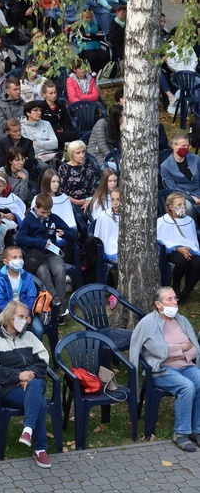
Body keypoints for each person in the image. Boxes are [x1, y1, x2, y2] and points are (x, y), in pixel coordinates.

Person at [129, 286, 200, 452]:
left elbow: (194, 347)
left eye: (175, 298)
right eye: (170, 299)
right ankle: (180, 433)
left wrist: (176, 350)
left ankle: (197, 430)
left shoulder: (181, 320)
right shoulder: (147, 323)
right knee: (187, 387)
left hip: (185, 365)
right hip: (160, 369)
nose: (175, 302)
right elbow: (157, 351)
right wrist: (180, 348)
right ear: (158, 304)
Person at [0, 300, 52, 468]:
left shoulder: (29, 337)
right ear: (9, 317)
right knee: (40, 403)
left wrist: (28, 376)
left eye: (26, 317)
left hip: (34, 382)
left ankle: (28, 430)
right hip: (10, 389)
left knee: (36, 386)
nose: (25, 320)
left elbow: (43, 360)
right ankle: (40, 450)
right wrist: (17, 377)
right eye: (20, 316)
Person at [16, 193, 77, 320]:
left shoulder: (54, 218)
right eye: (43, 212)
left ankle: (60, 308)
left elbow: (73, 234)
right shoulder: (28, 220)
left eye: (48, 212)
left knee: (60, 270)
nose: (45, 215)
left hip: (52, 253)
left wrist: (65, 233)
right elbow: (20, 239)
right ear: (36, 207)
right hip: (36, 255)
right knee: (43, 272)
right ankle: (57, 303)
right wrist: (39, 243)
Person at [157, 193, 200, 302]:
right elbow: (161, 239)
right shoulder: (162, 221)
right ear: (171, 207)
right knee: (181, 261)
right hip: (171, 250)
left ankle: (186, 291)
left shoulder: (189, 221)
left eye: (184, 204)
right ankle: (176, 286)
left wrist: (189, 248)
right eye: (179, 204)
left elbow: (192, 239)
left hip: (188, 249)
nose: (182, 207)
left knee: (198, 263)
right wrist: (178, 248)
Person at [0, 246, 42, 338]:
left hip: (26, 312)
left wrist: (28, 315)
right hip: (7, 313)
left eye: (20, 257)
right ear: (5, 261)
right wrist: (14, 316)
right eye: (14, 257)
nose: (19, 260)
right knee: (14, 331)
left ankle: (32, 351)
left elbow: (31, 297)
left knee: (38, 330)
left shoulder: (27, 276)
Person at [58, 140, 98, 212]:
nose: (81, 155)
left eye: (83, 152)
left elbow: (95, 188)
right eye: (78, 153)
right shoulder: (64, 168)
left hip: (88, 202)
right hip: (70, 203)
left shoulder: (89, 167)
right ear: (71, 154)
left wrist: (89, 202)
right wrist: (77, 202)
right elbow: (61, 192)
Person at [161, 134, 200, 205]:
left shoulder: (195, 159)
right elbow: (172, 187)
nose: (186, 148)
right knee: (188, 207)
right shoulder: (165, 166)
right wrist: (190, 197)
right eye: (183, 146)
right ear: (174, 146)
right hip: (181, 195)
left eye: (187, 146)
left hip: (197, 191)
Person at [40, 81, 78, 153]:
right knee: (73, 136)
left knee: (72, 134)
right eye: (50, 93)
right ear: (44, 95)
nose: (54, 95)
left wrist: (66, 132)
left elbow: (67, 122)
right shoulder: (42, 108)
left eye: (55, 92)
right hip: (50, 135)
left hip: (63, 132)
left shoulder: (61, 106)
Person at [20, 101, 58, 167]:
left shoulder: (46, 123)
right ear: (28, 113)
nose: (39, 113)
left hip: (52, 154)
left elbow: (55, 144)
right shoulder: (22, 127)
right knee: (45, 167)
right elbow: (28, 149)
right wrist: (47, 144)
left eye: (40, 110)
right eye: (35, 110)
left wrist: (37, 143)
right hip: (36, 157)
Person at [74, 9, 109, 73]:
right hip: (84, 49)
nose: (89, 19)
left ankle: (102, 73)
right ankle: (95, 73)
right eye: (87, 17)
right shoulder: (79, 26)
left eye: (91, 17)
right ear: (82, 17)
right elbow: (83, 38)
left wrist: (90, 35)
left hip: (97, 47)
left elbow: (102, 37)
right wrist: (96, 35)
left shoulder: (97, 25)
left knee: (106, 55)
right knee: (93, 57)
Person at [94, 187, 120, 262]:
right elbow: (99, 236)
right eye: (113, 199)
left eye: (118, 199)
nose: (115, 203)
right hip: (110, 249)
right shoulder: (104, 215)